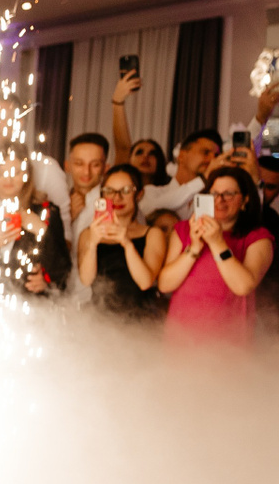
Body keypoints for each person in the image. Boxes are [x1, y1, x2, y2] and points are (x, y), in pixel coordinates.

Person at [155, 166, 273, 345]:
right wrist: (194, 248)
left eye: (229, 194)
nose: (219, 200)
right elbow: (165, 285)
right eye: (214, 194)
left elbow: (243, 286)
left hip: (228, 342)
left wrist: (217, 243)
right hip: (180, 337)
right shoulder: (184, 230)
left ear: (245, 200)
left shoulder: (258, 237)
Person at [75, 163, 161, 320]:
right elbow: (86, 280)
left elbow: (145, 282)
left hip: (141, 321)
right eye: (109, 191)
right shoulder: (88, 234)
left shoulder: (152, 234)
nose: (117, 197)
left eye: (126, 190)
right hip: (100, 320)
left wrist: (127, 243)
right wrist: (93, 244)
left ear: (139, 194)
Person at [0, 142, 70, 298]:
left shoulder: (46, 212)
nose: (8, 179)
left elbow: (63, 272)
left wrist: (42, 231)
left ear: (27, 174)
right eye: (1, 172)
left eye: (15, 172)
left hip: (31, 306)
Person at [139, 128, 222, 223]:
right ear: (181, 156)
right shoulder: (151, 192)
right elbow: (154, 209)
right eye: (205, 152)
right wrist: (204, 179)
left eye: (216, 155)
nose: (212, 159)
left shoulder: (214, 198)